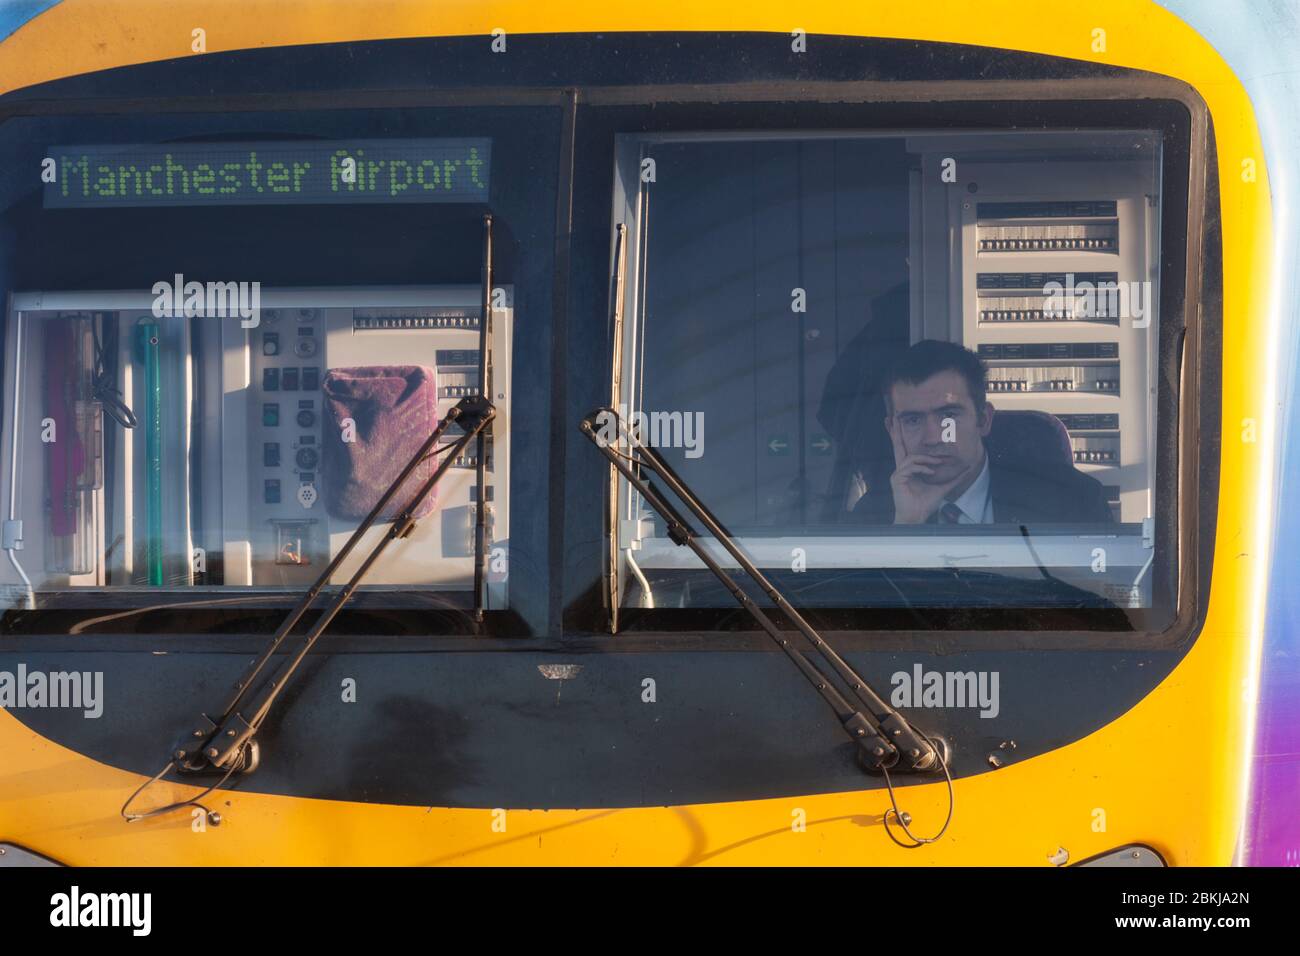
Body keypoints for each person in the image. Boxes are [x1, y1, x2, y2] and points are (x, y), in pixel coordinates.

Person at [852, 339, 1114, 525]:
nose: (933, 438)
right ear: (892, 430)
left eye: (948, 416)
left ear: (984, 419)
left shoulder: (1072, 499)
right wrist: (908, 525)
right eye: (912, 420)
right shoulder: (873, 514)